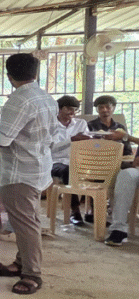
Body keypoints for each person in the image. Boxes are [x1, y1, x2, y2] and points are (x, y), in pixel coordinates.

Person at [0, 53, 58, 295]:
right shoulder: (46, 97)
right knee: (27, 220)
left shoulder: (18, 101)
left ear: (9, 76)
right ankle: (21, 263)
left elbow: (2, 140)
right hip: (39, 168)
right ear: (35, 73)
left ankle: (32, 274)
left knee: (26, 224)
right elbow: (53, 133)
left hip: (19, 172)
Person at [50, 95, 91, 225]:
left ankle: (93, 211)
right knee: (68, 170)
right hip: (55, 162)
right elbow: (50, 148)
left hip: (78, 160)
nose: (72, 112)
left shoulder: (81, 123)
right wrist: (71, 140)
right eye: (69, 109)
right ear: (59, 109)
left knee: (98, 169)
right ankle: (75, 210)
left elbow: (87, 143)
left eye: (75, 109)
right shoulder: (50, 125)